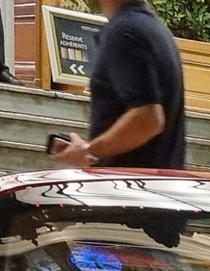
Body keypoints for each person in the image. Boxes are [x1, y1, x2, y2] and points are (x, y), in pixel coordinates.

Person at [50, 0, 185, 170]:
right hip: (154, 186)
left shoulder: (124, 32)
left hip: (127, 188)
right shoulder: (156, 30)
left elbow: (148, 118)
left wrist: (88, 152)